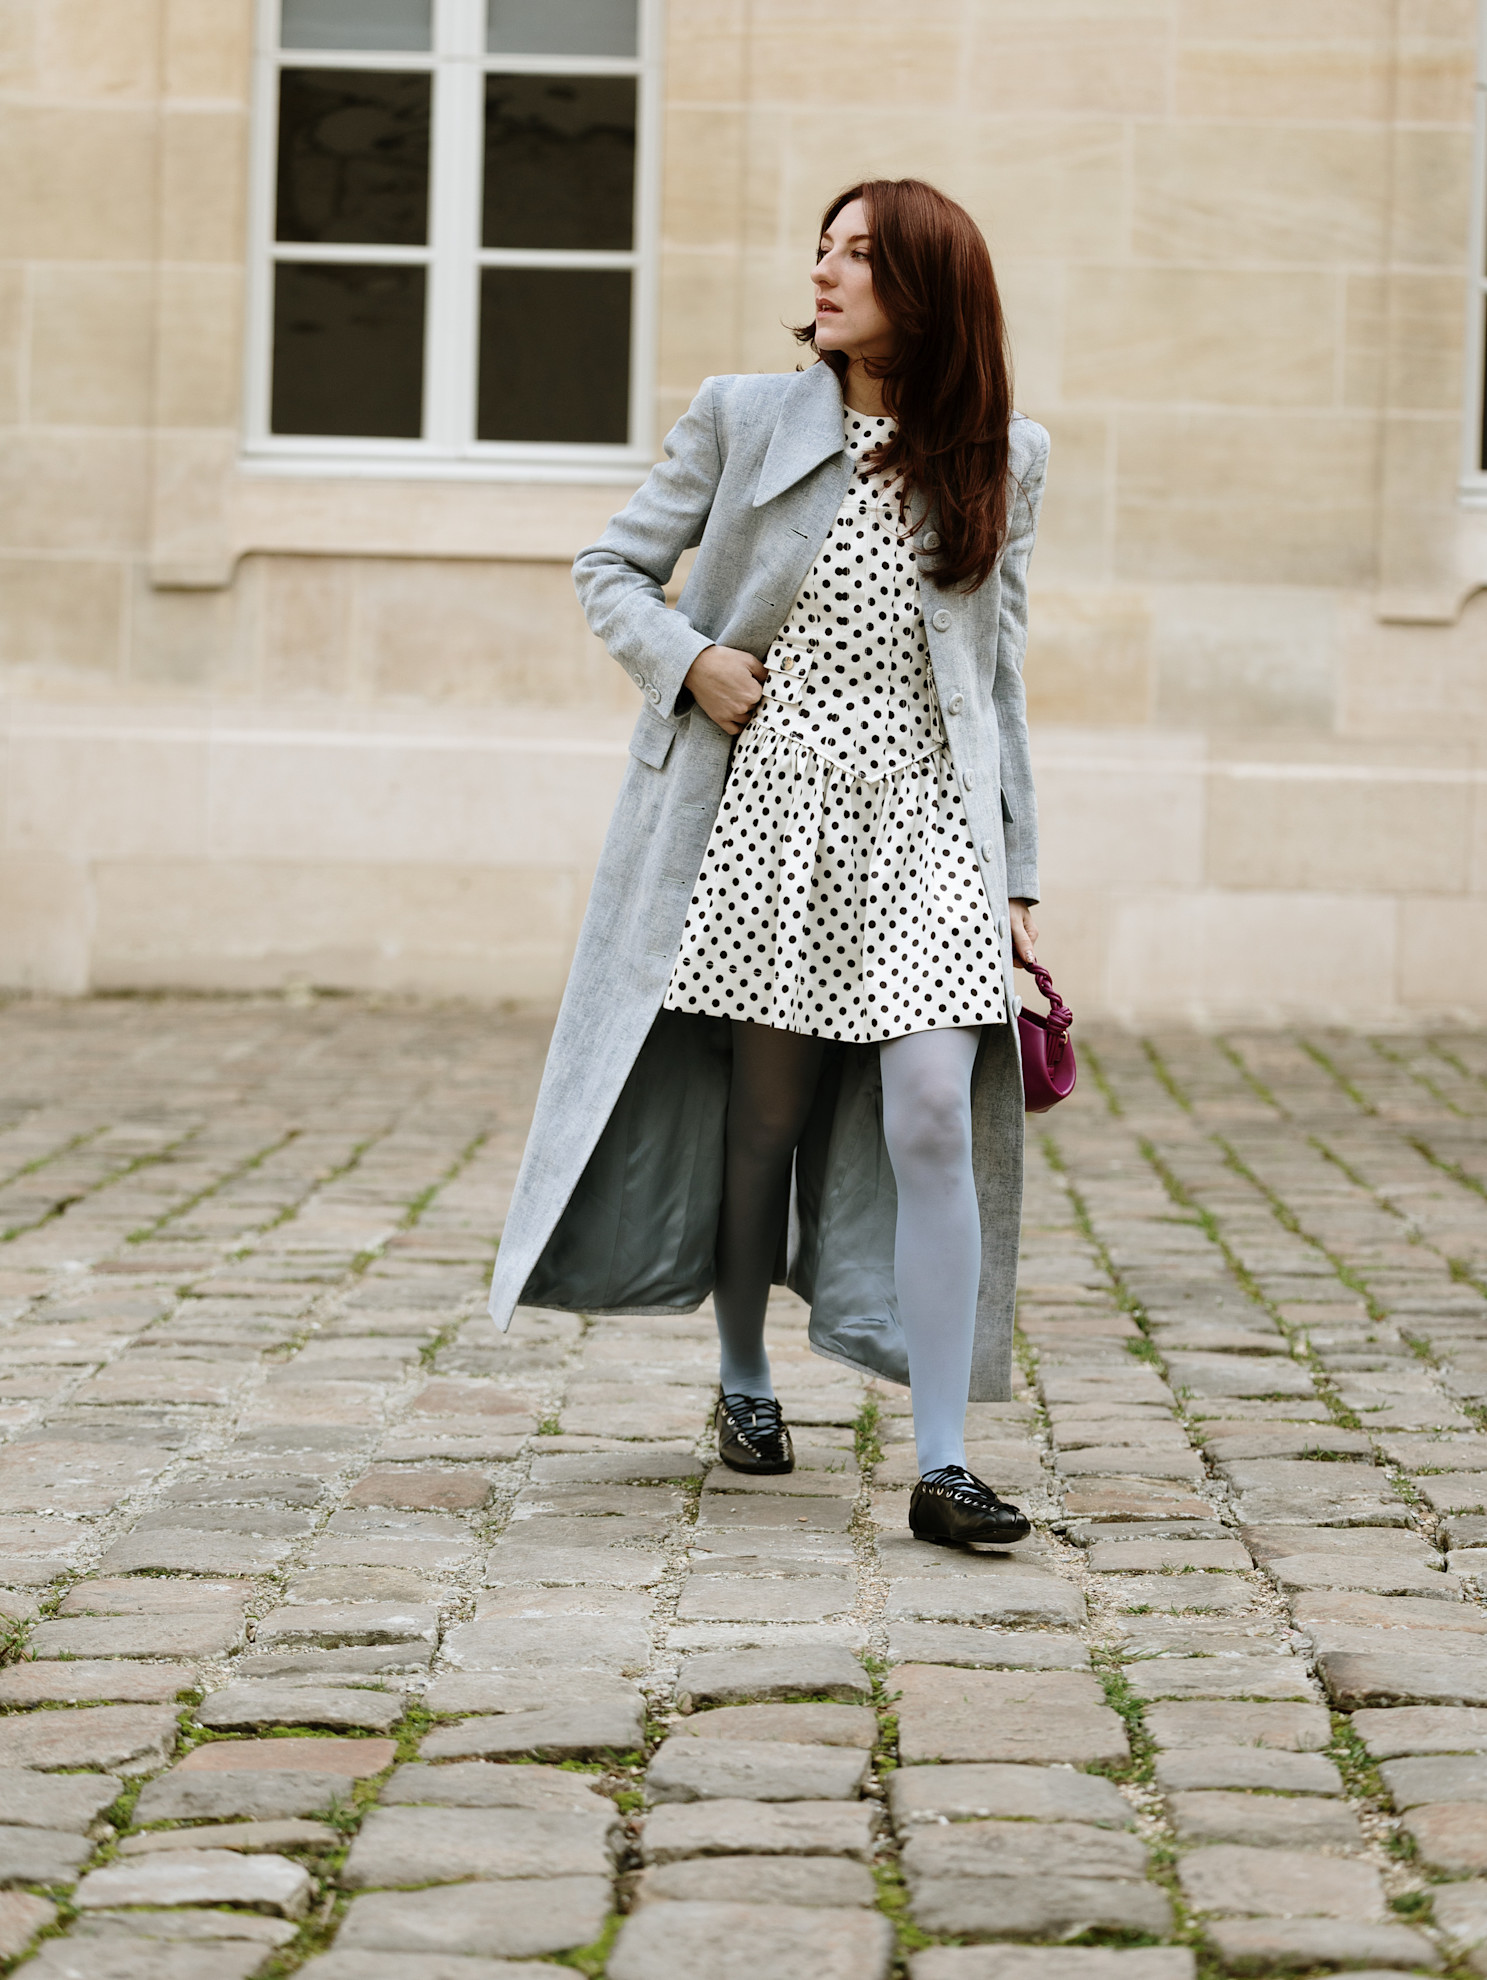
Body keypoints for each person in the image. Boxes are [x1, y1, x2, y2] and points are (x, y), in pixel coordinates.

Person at [489, 178, 1050, 1550]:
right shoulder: (744, 416)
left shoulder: (1003, 455)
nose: (825, 272)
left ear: (930, 287)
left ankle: (944, 1460)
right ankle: (743, 1376)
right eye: (822, 248)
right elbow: (610, 566)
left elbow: (1004, 678)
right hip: (768, 812)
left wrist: (1019, 883)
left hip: (927, 826)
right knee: (764, 1119)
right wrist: (692, 664)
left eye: (860, 254)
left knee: (932, 1110)